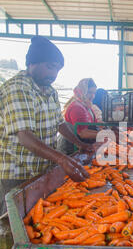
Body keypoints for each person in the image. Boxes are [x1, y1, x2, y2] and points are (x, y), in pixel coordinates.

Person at [0, 36, 94, 215]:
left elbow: (59, 124)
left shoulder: (50, 91)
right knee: (12, 222)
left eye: (57, 69)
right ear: (33, 63)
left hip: (41, 170)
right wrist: (62, 159)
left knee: (38, 219)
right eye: (50, 67)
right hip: (17, 173)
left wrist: (80, 144)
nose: (54, 74)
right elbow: (24, 135)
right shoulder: (18, 89)